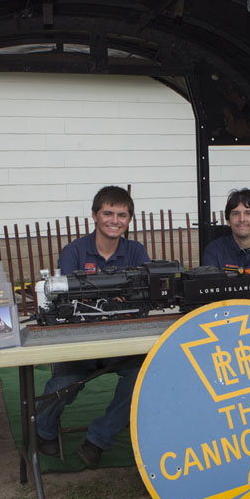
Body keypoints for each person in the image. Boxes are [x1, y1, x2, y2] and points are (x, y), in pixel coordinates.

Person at [35, 186, 150, 467]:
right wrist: (116, 298)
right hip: (81, 341)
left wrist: (97, 298)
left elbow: (145, 294)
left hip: (122, 342)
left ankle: (98, 438)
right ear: (94, 216)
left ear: (129, 219)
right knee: (63, 385)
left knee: (141, 378)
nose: (114, 220)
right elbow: (67, 299)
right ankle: (44, 430)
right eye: (108, 213)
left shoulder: (136, 251)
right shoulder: (74, 251)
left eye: (122, 214)